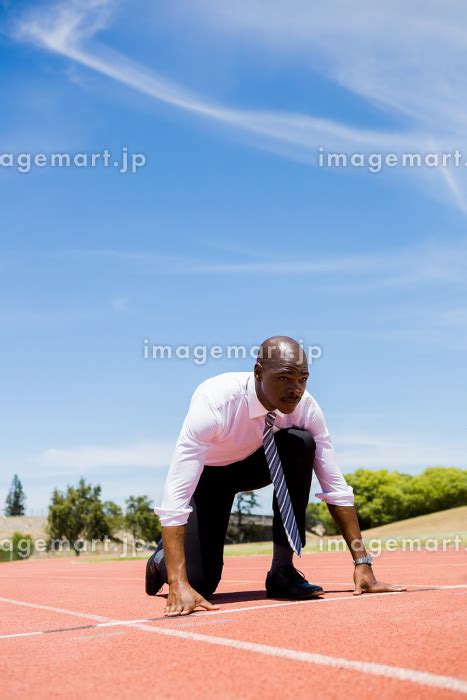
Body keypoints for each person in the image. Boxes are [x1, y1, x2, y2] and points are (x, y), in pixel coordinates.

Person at [146, 336, 406, 616]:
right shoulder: (216, 401)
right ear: (258, 373)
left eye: (303, 379)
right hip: (209, 477)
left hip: (255, 465)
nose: (296, 389)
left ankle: (282, 571)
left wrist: (362, 562)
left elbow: (335, 485)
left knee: (300, 443)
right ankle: (161, 560)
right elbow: (177, 491)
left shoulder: (306, 408)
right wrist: (177, 582)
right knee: (200, 583)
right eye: (284, 378)